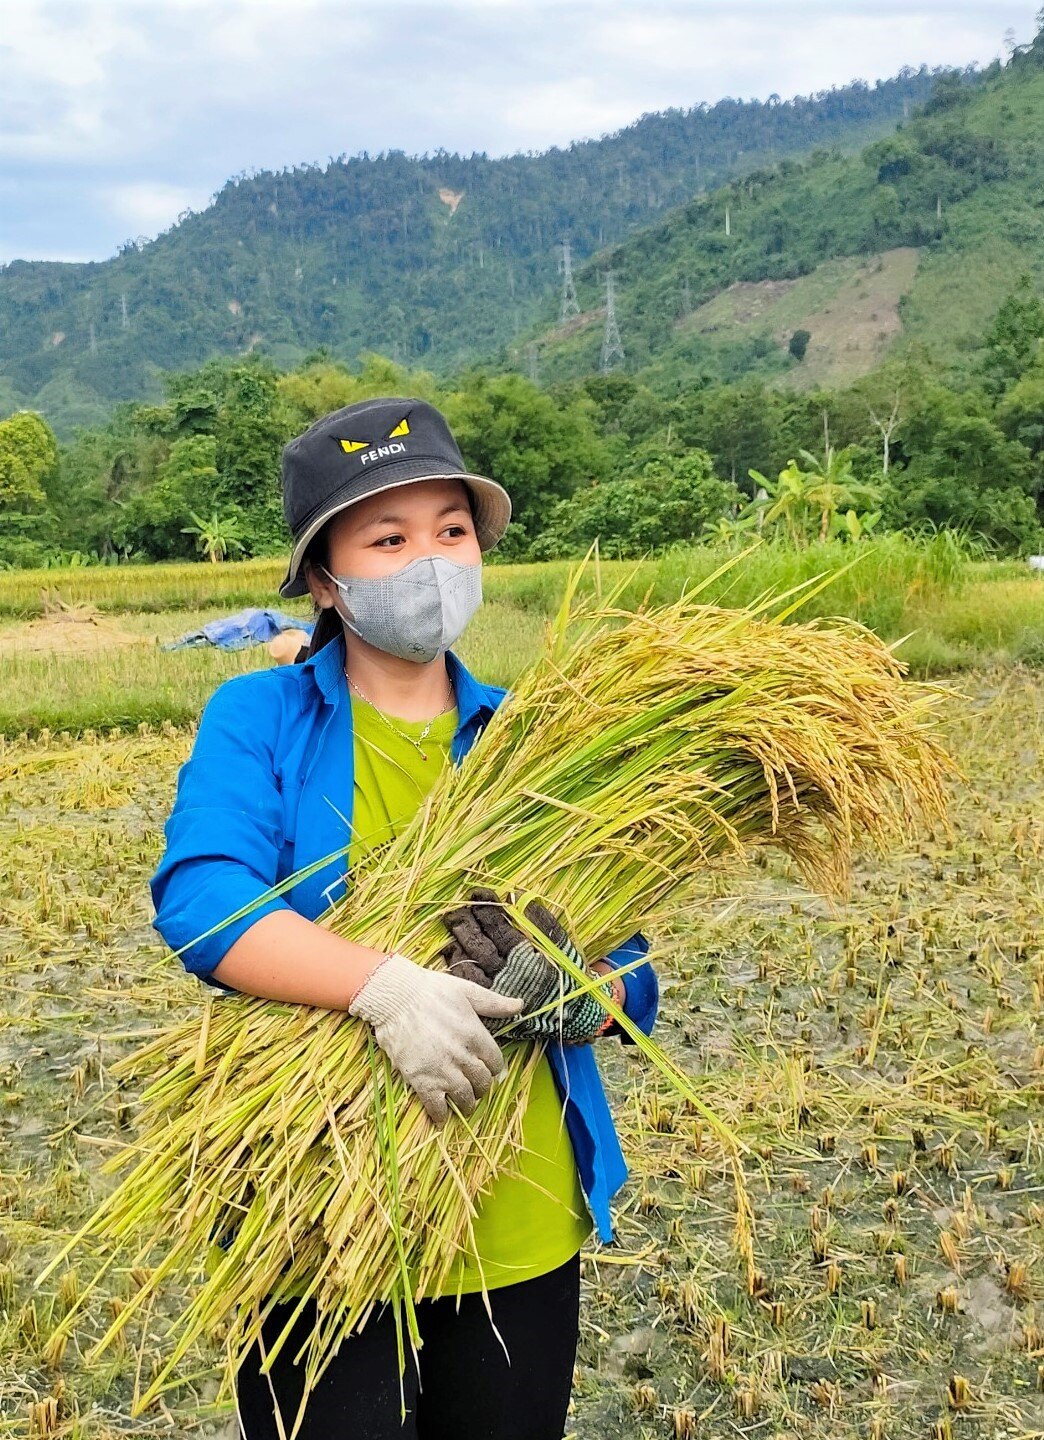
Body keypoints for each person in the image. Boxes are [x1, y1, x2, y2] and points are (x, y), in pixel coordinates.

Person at [150, 396, 659, 1440]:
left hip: (513, 1217)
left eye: (451, 530)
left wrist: (580, 995)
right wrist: (383, 989)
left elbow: (635, 961)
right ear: (328, 580)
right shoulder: (260, 716)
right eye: (389, 536)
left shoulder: (531, 741)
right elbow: (205, 900)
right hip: (316, 1219)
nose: (429, 558)